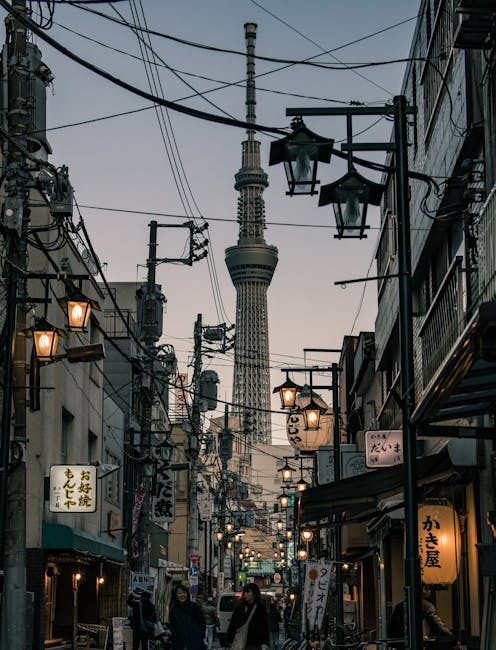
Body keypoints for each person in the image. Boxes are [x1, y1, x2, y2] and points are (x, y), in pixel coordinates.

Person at [388, 584, 454, 644]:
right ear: (423, 590)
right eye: (429, 589)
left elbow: (391, 627)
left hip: (400, 642)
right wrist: (451, 636)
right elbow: (436, 624)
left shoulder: (399, 605)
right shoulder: (426, 605)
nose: (430, 591)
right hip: (413, 642)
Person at [226, 583, 270, 650]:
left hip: (255, 644)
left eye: (248, 592)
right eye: (244, 592)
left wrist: (265, 643)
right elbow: (233, 624)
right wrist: (229, 640)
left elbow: (265, 626)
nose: (245, 594)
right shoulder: (240, 607)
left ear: (254, 593)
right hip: (241, 642)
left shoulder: (260, 608)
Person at [169, 584, 206, 650]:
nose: (182, 595)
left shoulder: (194, 607)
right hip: (180, 643)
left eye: (184, 593)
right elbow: (173, 626)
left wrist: (200, 635)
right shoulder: (174, 609)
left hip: (195, 642)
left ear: (187, 594)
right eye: (179, 593)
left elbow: (202, 622)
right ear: (176, 595)